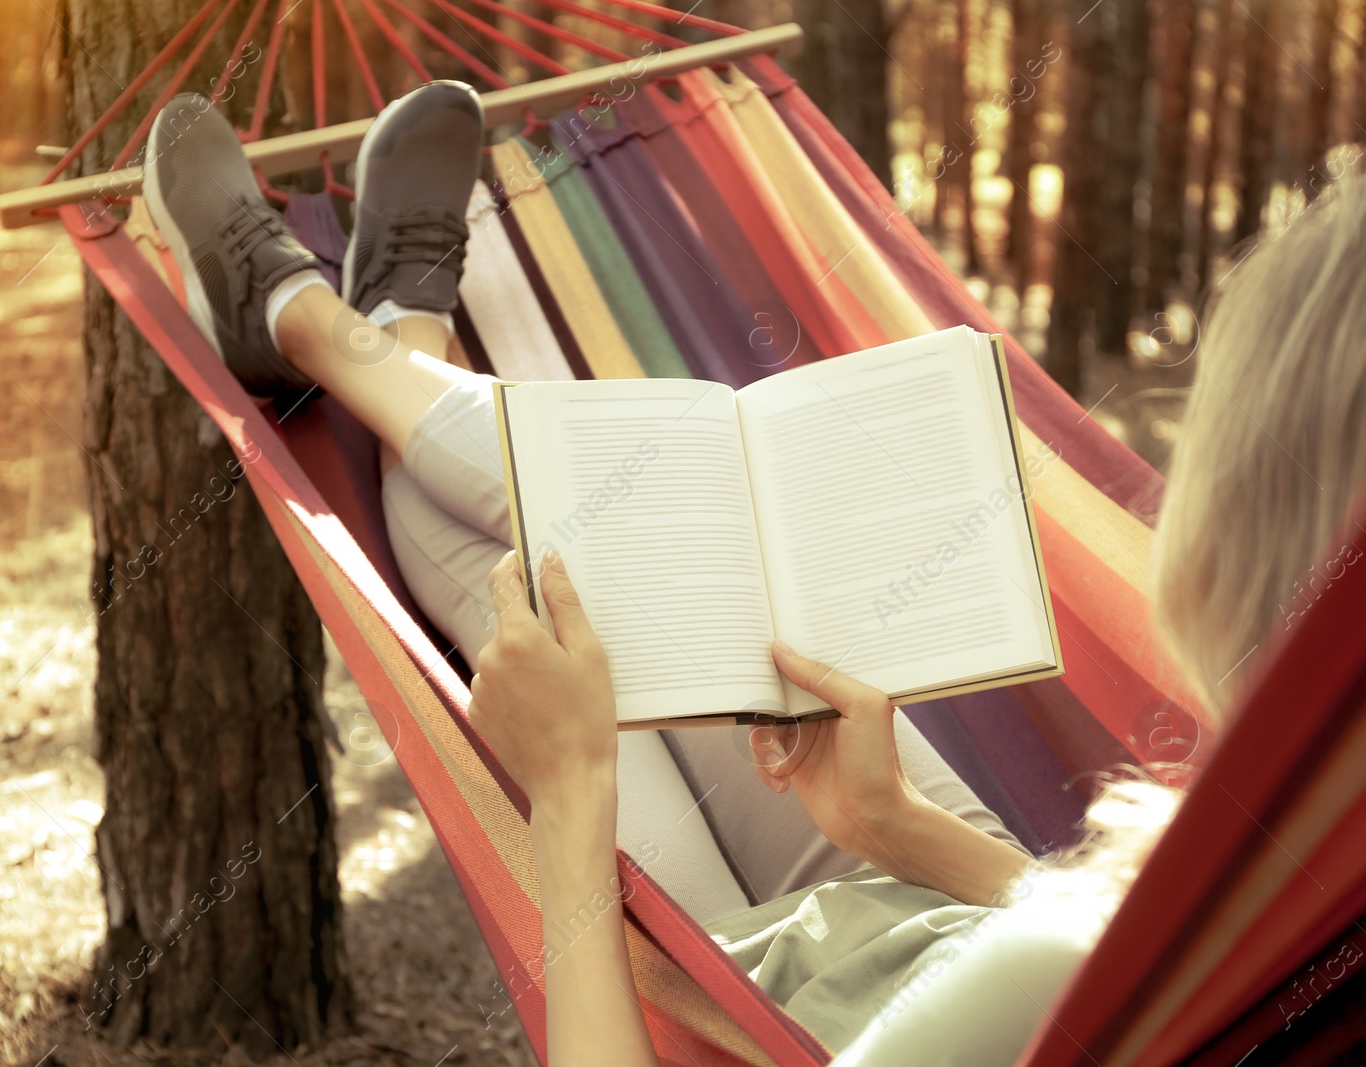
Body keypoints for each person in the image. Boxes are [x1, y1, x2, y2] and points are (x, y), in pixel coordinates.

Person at [139, 82, 1366, 1064]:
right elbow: (1136, 966)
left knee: (540, 547)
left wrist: (570, 806)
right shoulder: (1320, 855)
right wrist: (892, 824)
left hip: (782, 978)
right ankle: (372, 333)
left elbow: (1069, 987)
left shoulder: (1050, 972)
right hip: (942, 877)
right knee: (623, 531)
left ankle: (332, 329)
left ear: (1249, 523)